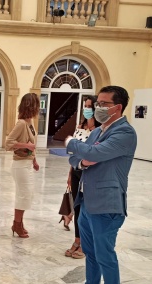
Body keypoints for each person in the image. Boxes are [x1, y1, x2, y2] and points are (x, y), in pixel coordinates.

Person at [63, 86, 137, 284]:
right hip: (86, 201)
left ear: (118, 107)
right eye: (98, 103)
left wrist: (70, 141)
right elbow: (78, 159)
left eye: (104, 104)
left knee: (106, 256)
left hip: (107, 205)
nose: (98, 108)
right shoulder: (97, 131)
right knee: (91, 253)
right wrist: (84, 160)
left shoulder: (125, 133)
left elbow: (88, 152)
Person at [62, 95, 101, 258]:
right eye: (85, 106)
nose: (87, 109)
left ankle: (86, 243)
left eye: (89, 106)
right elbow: (72, 152)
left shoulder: (99, 132)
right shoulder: (79, 128)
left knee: (87, 209)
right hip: (77, 171)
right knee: (77, 208)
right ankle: (77, 240)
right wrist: (70, 173)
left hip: (90, 174)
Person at [5, 93, 40, 238]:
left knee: (26, 195)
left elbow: (32, 145)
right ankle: (16, 224)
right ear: (32, 106)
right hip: (19, 165)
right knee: (23, 195)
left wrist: (34, 160)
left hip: (27, 164)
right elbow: (8, 143)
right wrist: (26, 145)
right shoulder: (21, 124)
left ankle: (19, 223)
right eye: (37, 105)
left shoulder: (29, 122)